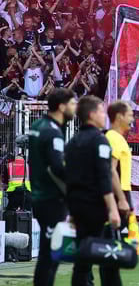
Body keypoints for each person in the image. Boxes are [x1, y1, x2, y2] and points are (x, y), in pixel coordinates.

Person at [64, 95, 121, 286]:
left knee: (82, 259)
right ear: (91, 114)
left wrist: (71, 211)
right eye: (101, 111)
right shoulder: (100, 141)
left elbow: (68, 179)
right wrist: (113, 208)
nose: (104, 115)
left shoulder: (72, 143)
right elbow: (104, 176)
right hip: (97, 207)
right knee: (109, 257)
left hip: (78, 206)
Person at [28, 87, 76, 286]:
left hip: (40, 195)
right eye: (73, 104)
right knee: (51, 254)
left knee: (48, 253)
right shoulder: (53, 132)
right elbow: (57, 166)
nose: (75, 108)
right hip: (51, 198)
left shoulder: (37, 125)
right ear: (62, 106)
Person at [104, 101, 134, 231]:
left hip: (122, 191)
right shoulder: (113, 137)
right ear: (119, 116)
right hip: (118, 193)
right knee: (118, 241)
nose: (132, 119)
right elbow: (111, 169)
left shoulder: (118, 138)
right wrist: (121, 199)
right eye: (130, 115)